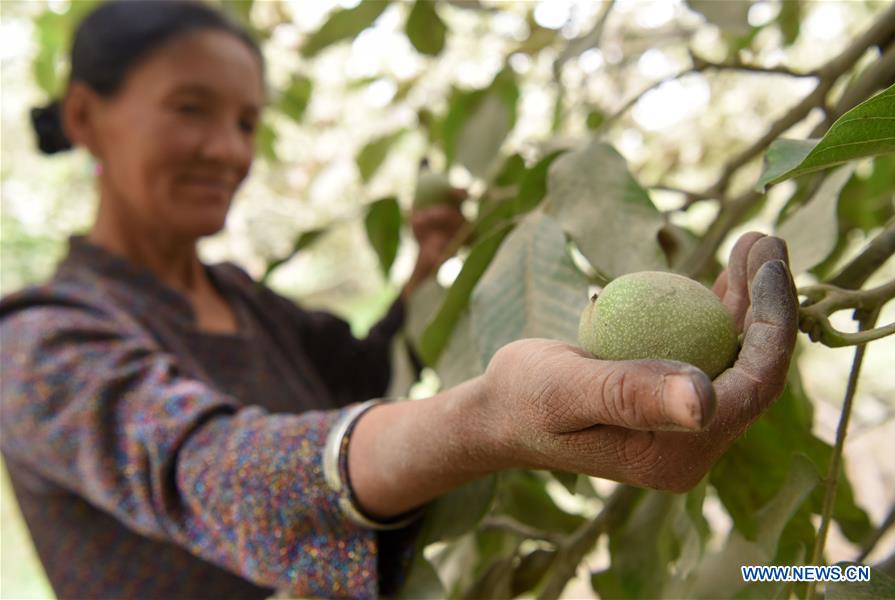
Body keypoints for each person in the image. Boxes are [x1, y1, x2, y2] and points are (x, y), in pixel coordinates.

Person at [0, 1, 798, 599]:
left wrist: (427, 270)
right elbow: (212, 471)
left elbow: (364, 371)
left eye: (246, 121)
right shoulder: (33, 343)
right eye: (190, 109)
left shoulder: (237, 295)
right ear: (85, 117)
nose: (230, 149)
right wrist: (484, 422)